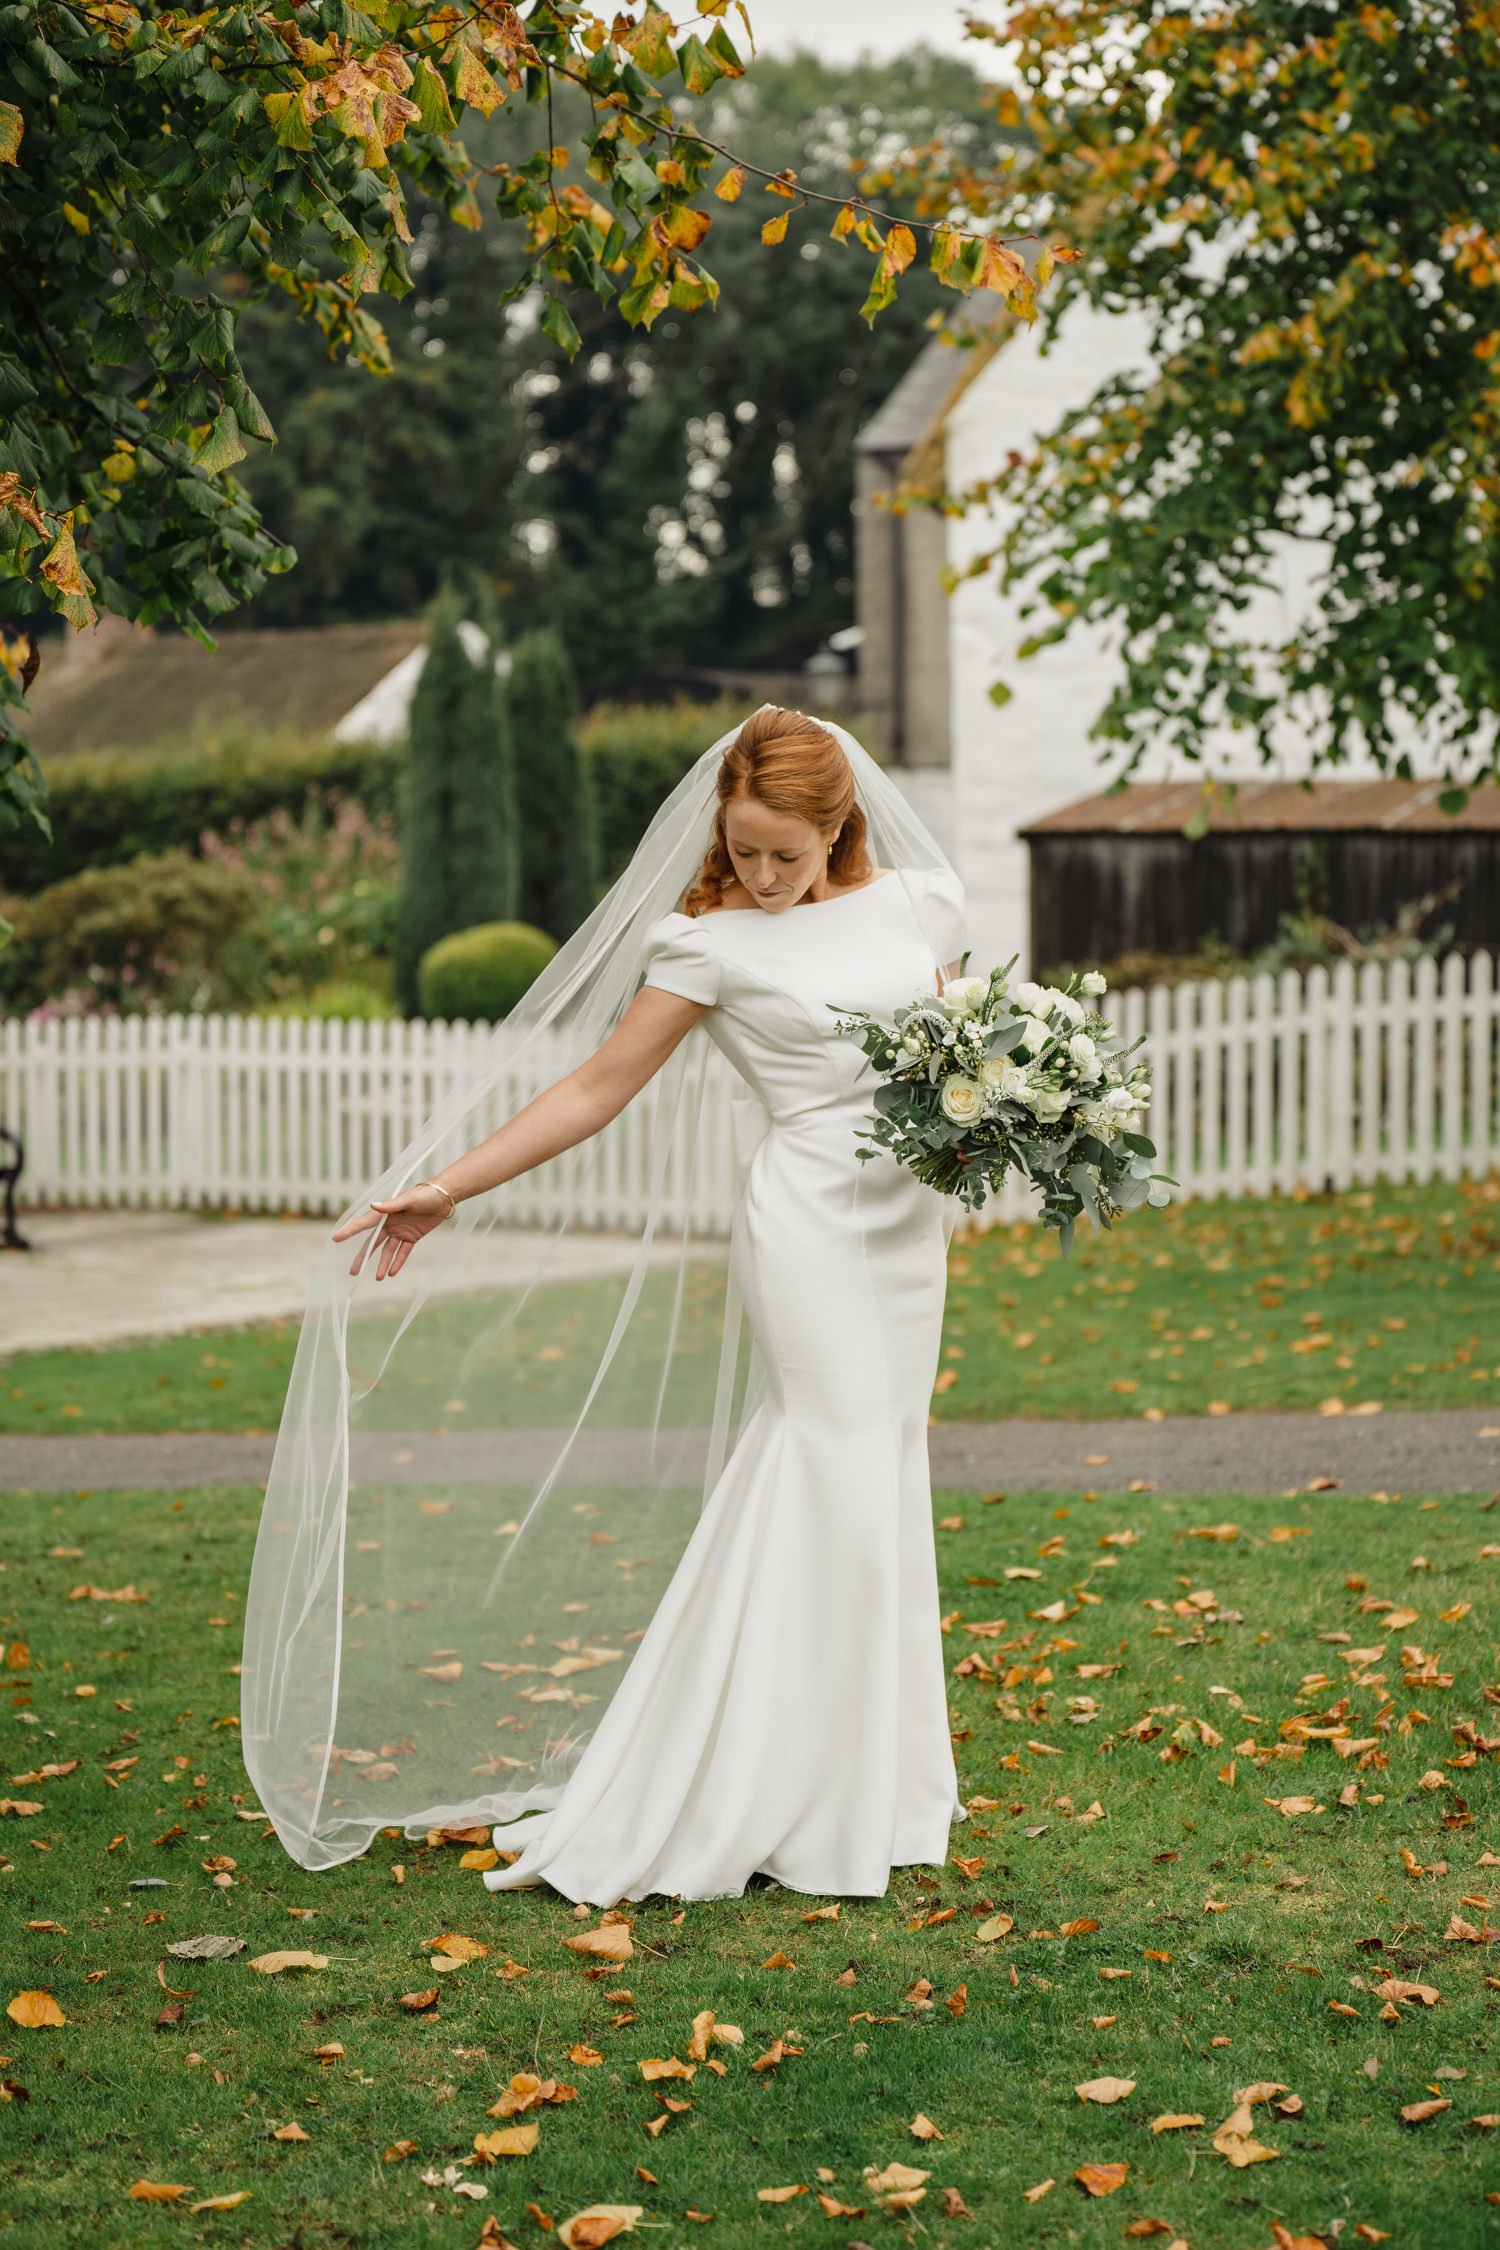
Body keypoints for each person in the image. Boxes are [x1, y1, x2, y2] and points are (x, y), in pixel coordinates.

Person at [239, 703, 970, 1903]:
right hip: (809, 1228)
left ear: (839, 829)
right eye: (744, 852)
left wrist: (1009, 1117)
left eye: (788, 853)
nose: (765, 874)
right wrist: (446, 1188)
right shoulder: (709, 946)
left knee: (880, 1464)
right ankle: (759, 1790)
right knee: (825, 1459)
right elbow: (595, 1089)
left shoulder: (918, 904)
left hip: (906, 1228)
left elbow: (951, 1052)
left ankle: (869, 1787)